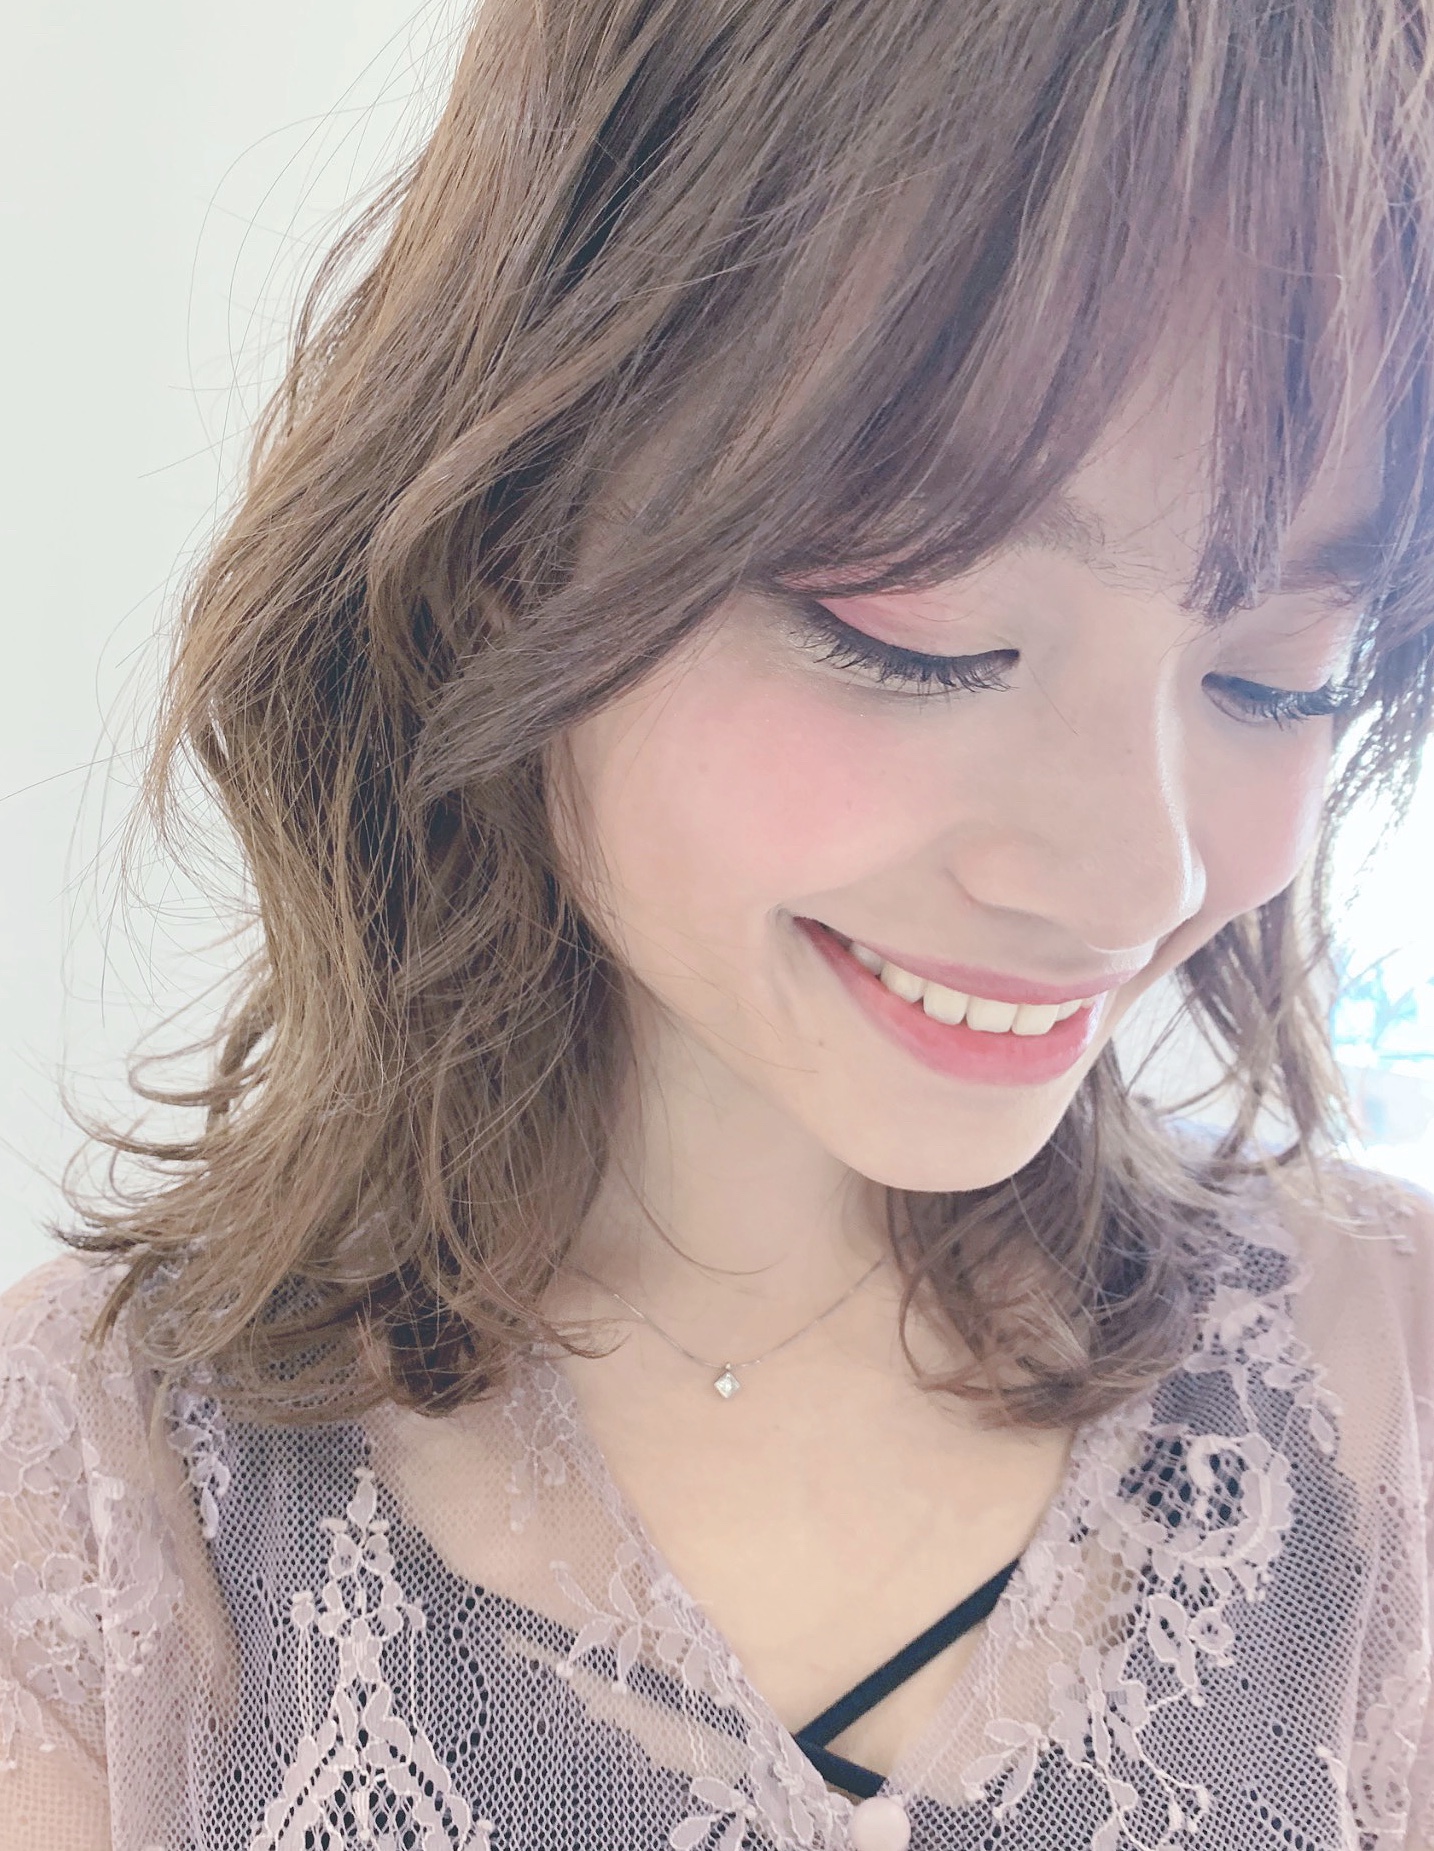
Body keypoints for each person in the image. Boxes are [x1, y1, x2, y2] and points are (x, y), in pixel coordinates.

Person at [3, 1, 1434, 1845]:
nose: (1133, 880)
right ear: (509, 525)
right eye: (921, 634)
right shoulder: (93, 1506)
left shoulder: (1388, 1376)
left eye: (1276, 679)